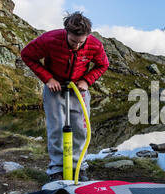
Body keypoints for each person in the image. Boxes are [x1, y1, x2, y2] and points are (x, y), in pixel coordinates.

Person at [21, 12, 109, 181]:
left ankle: (79, 167)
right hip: (55, 88)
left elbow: (103, 64)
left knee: (81, 128)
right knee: (56, 128)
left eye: (80, 42)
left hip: (78, 89)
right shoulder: (50, 39)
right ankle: (56, 169)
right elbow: (27, 55)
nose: (76, 46)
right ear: (66, 32)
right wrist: (48, 78)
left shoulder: (95, 45)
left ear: (87, 36)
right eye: (73, 41)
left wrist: (86, 80)